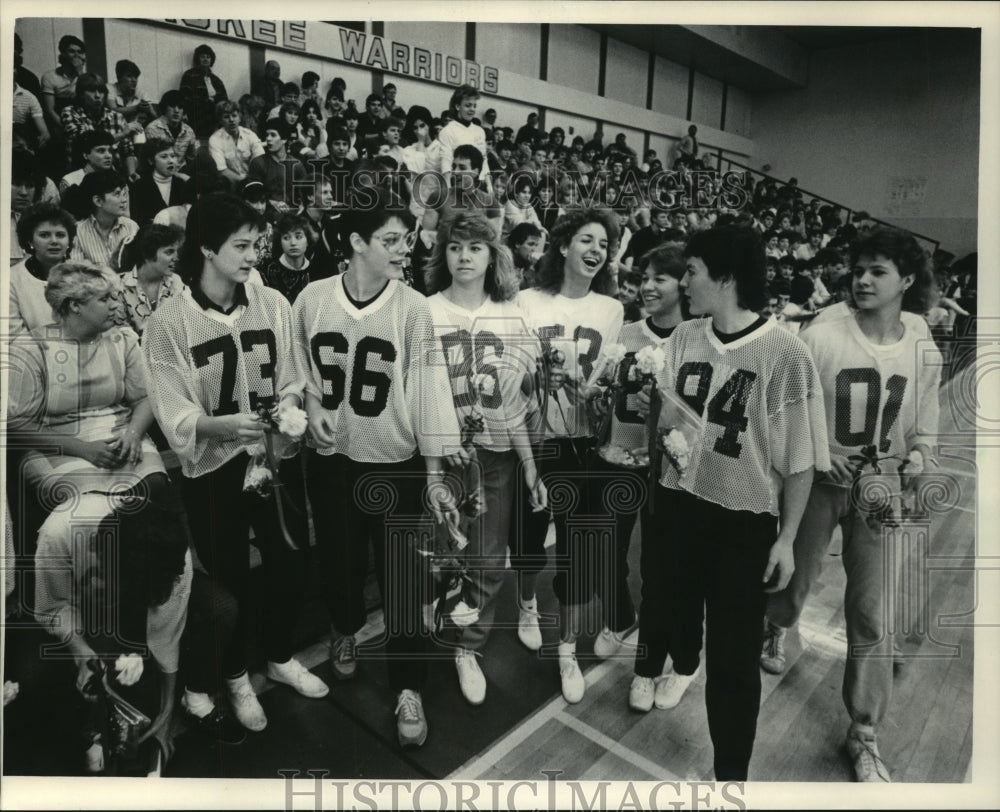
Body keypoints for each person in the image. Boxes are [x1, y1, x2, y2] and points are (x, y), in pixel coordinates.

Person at [633, 226, 829, 780]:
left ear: (725, 276)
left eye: (691, 271)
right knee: (667, 608)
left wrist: (787, 539)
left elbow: (800, 459)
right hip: (677, 507)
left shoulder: (786, 354)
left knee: (734, 661)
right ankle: (681, 659)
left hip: (743, 523)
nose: (683, 283)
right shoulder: (683, 338)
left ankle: (731, 778)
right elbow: (664, 418)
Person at [143, 193, 329, 735]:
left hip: (273, 460)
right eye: (241, 246)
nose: (253, 256)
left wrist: (290, 406)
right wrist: (220, 426)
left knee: (290, 563)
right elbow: (170, 402)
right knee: (230, 579)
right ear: (205, 248)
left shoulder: (272, 303)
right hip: (215, 468)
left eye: (257, 245)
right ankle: (235, 674)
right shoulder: (169, 323)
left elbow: (295, 375)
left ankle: (279, 654)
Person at [759, 228, 940, 783]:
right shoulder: (822, 333)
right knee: (792, 588)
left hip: (879, 488)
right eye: (859, 269)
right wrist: (817, 456)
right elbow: (785, 410)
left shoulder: (922, 342)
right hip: (817, 482)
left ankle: (864, 732)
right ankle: (775, 626)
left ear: (906, 281)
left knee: (869, 611)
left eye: (878, 271)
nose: (863, 279)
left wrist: (919, 457)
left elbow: (925, 428)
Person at [289, 188, 461, 748]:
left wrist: (434, 475)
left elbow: (431, 390)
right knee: (337, 564)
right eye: (390, 240)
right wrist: (312, 406)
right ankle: (344, 632)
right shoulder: (312, 298)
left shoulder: (413, 307)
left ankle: (408, 686)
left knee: (402, 582)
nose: (403, 250)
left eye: (407, 240)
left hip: (395, 464)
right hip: (332, 461)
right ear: (356, 242)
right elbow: (298, 370)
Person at [423, 211, 547, 705]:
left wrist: (531, 466)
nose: (464, 256)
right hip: (438, 453)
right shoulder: (423, 310)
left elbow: (516, 403)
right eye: (455, 247)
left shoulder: (511, 315)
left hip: (495, 457)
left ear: (493, 254)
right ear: (443, 254)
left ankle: (469, 648)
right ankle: (443, 622)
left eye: (475, 247)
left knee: (489, 560)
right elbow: (416, 393)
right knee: (440, 553)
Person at [512, 208, 624, 704]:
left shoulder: (611, 310)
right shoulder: (526, 301)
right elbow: (510, 379)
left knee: (577, 553)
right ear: (562, 245)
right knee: (529, 539)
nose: (596, 249)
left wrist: (594, 396)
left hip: (584, 446)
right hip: (535, 440)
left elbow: (608, 386)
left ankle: (567, 649)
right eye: (586, 239)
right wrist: (536, 380)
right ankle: (527, 601)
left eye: (604, 242)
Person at [33, 498, 192, 773]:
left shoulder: (174, 557)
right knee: (43, 678)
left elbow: (167, 639)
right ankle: (93, 729)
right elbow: (52, 605)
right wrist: (80, 651)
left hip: (124, 586)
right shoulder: (58, 533)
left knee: (220, 608)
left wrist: (166, 714)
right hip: (78, 597)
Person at [598, 244, 688, 711]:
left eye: (661, 279)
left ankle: (648, 668)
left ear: (684, 285)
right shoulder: (628, 332)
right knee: (607, 553)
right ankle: (619, 617)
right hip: (619, 457)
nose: (648, 287)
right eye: (645, 277)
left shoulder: (696, 339)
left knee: (660, 569)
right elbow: (604, 389)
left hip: (669, 472)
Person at [7, 260, 167, 507]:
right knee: (89, 505)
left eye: (115, 297)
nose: (116, 305)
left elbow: (144, 398)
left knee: (152, 485)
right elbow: (17, 425)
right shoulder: (32, 349)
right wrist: (82, 449)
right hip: (58, 445)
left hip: (120, 435)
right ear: (75, 306)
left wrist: (133, 434)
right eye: (104, 299)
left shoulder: (121, 338)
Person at [9, 203, 76, 335]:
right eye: (44, 235)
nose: (54, 241)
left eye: (60, 235)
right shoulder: (12, 280)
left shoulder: (84, 275)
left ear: (69, 241)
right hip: (32, 353)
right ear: (30, 241)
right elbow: (15, 337)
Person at [60, 73, 140, 178]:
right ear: (81, 94)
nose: (98, 96)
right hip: (82, 174)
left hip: (113, 176)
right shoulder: (70, 112)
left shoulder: (117, 117)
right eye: (92, 91)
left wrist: (132, 173)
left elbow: (128, 152)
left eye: (101, 91)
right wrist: (123, 134)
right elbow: (85, 142)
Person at [116, 223, 186, 337]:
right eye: (169, 252)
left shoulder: (176, 282)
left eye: (176, 251)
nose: (176, 258)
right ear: (147, 254)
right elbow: (120, 336)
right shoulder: (118, 286)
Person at [70, 169, 138, 271]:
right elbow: (78, 274)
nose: (124, 200)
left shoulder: (131, 227)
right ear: (98, 201)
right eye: (117, 194)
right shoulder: (78, 232)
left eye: (124, 194)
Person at [246, 118, 307, 210]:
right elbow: (253, 195)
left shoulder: (297, 165)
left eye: (273, 135)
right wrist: (271, 202)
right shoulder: (258, 163)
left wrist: (302, 206)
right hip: (266, 211)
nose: (268, 139)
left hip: (292, 213)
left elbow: (304, 193)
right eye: (267, 135)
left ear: (284, 139)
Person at [129, 140, 189, 227]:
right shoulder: (139, 187)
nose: (171, 161)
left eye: (173, 156)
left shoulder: (183, 184)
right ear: (151, 161)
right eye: (164, 157)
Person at [260, 212, 315, 303]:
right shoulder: (267, 270)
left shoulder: (317, 270)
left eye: (298, 237)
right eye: (286, 238)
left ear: (307, 240)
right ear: (280, 242)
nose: (293, 243)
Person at [208, 101, 265, 186]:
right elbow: (222, 171)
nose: (231, 120)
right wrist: (244, 182)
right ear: (220, 121)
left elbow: (261, 160)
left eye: (234, 116)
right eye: (226, 117)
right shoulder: (215, 140)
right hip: (230, 185)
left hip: (253, 182)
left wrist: (253, 182)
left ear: (240, 117)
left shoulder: (250, 135)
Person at [180, 43, 229, 138]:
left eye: (208, 57)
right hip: (196, 116)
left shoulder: (216, 80)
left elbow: (224, 100)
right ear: (197, 59)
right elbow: (184, 97)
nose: (206, 59)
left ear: (211, 60)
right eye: (202, 57)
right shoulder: (189, 75)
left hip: (214, 119)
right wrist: (206, 100)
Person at [40, 35, 87, 133]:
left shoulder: (84, 77)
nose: (76, 55)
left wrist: (80, 74)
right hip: (59, 120)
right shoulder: (50, 76)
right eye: (71, 51)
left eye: (80, 52)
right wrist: (66, 127)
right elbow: (50, 110)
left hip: (82, 119)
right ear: (63, 54)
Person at [143, 90, 198, 170]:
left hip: (182, 173)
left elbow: (192, 158)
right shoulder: (152, 129)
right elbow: (151, 162)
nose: (176, 110)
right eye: (172, 106)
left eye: (180, 107)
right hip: (160, 173)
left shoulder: (189, 131)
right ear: (165, 108)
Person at [106, 59, 154, 124]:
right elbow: (113, 110)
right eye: (129, 76)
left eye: (136, 77)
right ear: (119, 77)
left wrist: (149, 109)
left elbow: (155, 116)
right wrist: (136, 108)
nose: (134, 80)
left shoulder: (141, 93)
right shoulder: (110, 88)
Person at [506, 222, 543, 289]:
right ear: (517, 244)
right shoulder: (506, 259)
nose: (534, 249)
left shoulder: (525, 259)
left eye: (536, 245)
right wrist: (532, 270)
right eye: (531, 244)